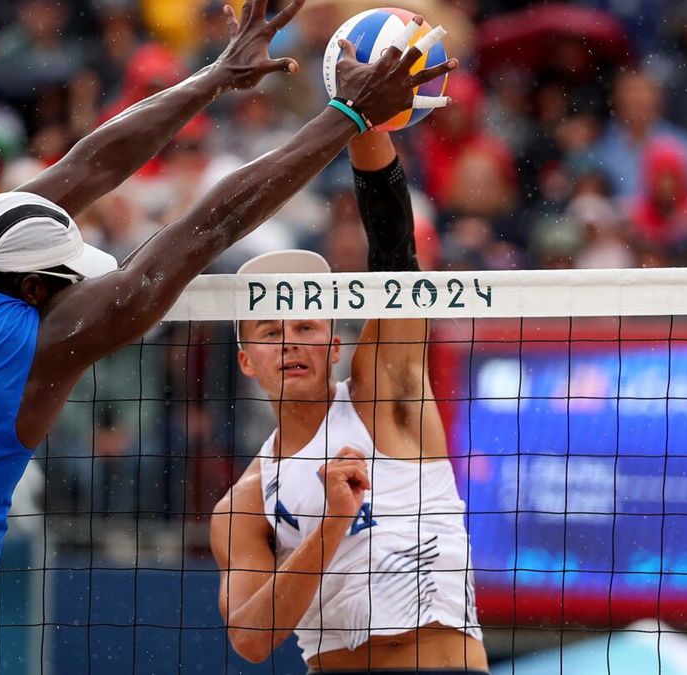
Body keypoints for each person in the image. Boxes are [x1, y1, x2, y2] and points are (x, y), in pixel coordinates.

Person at [0, 2, 457, 671]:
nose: (74, 288)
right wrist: (344, 115)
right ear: (34, 288)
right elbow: (207, 225)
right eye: (65, 279)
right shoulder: (38, 346)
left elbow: (86, 167)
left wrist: (214, 77)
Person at [209, 128, 487, 673]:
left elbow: (395, 255)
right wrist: (334, 522)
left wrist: (368, 125)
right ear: (246, 361)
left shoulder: (379, 397)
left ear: (335, 345)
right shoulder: (242, 503)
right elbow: (249, 639)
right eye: (270, 332)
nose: (289, 342)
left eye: (306, 326)